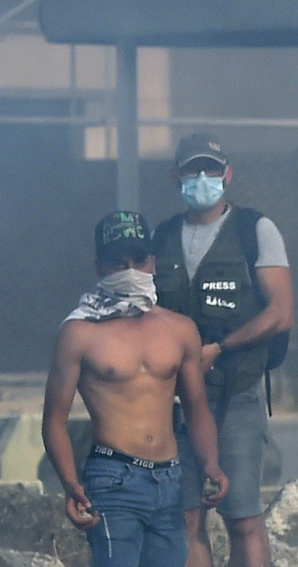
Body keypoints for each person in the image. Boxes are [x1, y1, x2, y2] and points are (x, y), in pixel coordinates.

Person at [42, 211, 229, 567]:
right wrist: (70, 483)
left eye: (138, 260)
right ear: (100, 267)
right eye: (118, 262)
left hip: (170, 477)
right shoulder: (80, 332)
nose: (130, 270)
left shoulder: (179, 329)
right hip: (113, 478)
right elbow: (54, 419)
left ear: (153, 262)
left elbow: (197, 406)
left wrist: (211, 464)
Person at [151, 133, 294, 567]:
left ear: (227, 174)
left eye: (210, 169)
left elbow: (281, 313)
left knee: (244, 518)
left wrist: (220, 347)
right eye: (192, 169)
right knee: (185, 517)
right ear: (175, 176)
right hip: (175, 401)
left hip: (236, 394)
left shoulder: (255, 229)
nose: (201, 178)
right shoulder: (163, 236)